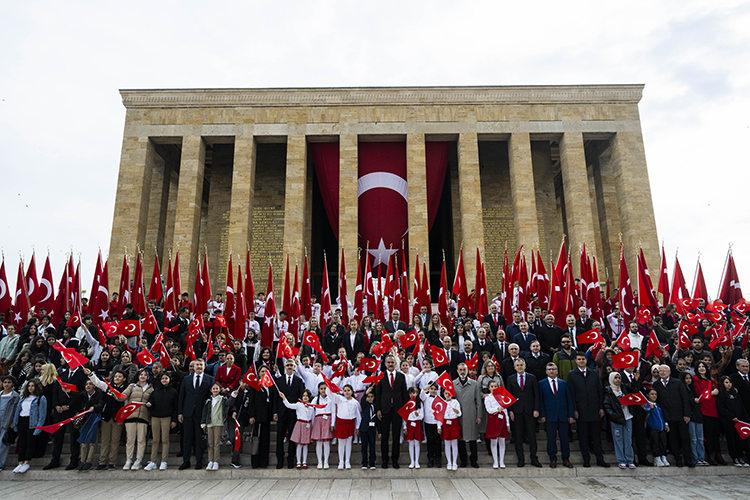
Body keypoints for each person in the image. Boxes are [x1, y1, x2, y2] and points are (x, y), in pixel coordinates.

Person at [567, 352, 610, 467]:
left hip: (595, 409)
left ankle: (599, 459)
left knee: (596, 437)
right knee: (583, 437)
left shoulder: (594, 373)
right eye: (579, 359)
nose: (581, 361)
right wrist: (574, 410)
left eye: (583, 359)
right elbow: (571, 394)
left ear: (586, 360)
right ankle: (586, 459)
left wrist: (601, 407)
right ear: (576, 361)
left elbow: (600, 391)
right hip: (581, 411)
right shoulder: (572, 374)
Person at [178, 358, 214, 470]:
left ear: (204, 366)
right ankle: (186, 461)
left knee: (199, 438)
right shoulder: (186, 379)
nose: (198, 367)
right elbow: (181, 396)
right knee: (187, 438)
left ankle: (199, 461)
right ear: (193, 367)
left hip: (201, 414)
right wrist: (180, 413)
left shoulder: (210, 379)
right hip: (187, 413)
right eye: (197, 365)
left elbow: (211, 398)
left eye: (201, 365)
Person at [653, 364, 693, 467]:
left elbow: (685, 399)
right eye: (660, 371)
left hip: (680, 416)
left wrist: (686, 414)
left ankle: (688, 459)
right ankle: (678, 459)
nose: (662, 373)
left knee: (685, 438)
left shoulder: (678, 383)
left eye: (664, 371)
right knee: (672, 439)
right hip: (667, 417)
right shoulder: (656, 385)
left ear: (669, 372)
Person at [115, 368, 154, 470]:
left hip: (143, 417)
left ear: (148, 377)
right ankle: (129, 460)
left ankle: (139, 460)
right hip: (131, 416)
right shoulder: (132, 386)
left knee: (141, 440)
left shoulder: (151, 389)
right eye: (141, 374)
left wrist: (151, 404)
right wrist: (115, 393)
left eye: (145, 375)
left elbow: (153, 401)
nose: (142, 376)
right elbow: (123, 396)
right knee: (130, 440)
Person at [374, 354, 409, 469]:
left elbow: (404, 394)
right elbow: (377, 394)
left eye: (392, 362)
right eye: (388, 362)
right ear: (385, 364)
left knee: (396, 436)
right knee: (384, 436)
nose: (390, 364)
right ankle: (385, 460)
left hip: (397, 410)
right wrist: (378, 409)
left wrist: (405, 410)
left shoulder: (401, 376)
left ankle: (395, 460)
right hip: (384, 410)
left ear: (395, 364)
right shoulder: (381, 376)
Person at [506, 357, 541, 468]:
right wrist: (510, 411)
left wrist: (536, 409)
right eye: (518, 365)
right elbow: (509, 397)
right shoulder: (510, 378)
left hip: (530, 411)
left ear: (525, 366)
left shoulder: (532, 378)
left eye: (522, 365)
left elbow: (536, 395)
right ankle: (520, 459)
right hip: (516, 411)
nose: (520, 367)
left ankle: (534, 458)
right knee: (518, 436)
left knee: (531, 436)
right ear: (514, 367)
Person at [538, 362, 574, 468]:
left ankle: (566, 459)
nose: (551, 371)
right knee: (551, 439)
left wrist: (570, 415)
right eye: (549, 369)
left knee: (564, 438)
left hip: (563, 415)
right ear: (546, 371)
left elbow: (569, 400)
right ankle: (553, 459)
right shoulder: (541, 383)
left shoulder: (564, 383)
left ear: (557, 371)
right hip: (549, 415)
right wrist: (542, 415)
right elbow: (541, 401)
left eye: (553, 369)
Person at [12, 378, 47, 474]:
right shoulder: (23, 397)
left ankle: (27, 462)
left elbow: (42, 414)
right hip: (22, 420)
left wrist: (39, 427)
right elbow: (17, 411)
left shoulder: (41, 398)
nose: (30, 388)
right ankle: (20, 462)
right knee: (22, 442)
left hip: (32, 422)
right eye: (29, 386)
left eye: (32, 386)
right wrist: (15, 423)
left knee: (30, 443)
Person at [145, 372, 178, 470]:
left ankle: (164, 461)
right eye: (162, 378)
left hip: (167, 417)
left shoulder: (173, 392)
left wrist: (174, 420)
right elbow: (151, 401)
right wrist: (150, 404)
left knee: (165, 440)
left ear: (170, 379)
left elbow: (175, 407)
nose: (164, 380)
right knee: (155, 440)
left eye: (166, 378)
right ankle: (153, 461)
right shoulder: (155, 391)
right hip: (155, 417)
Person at [716, 375, 750, 467]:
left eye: (730, 382)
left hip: (739, 421)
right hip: (729, 421)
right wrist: (731, 416)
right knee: (731, 439)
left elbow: (741, 406)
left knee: (740, 439)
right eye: (726, 382)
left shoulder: (735, 394)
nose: (729, 384)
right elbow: (721, 408)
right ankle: (734, 457)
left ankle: (740, 456)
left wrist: (745, 418)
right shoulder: (721, 395)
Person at [604, 372, 636, 469]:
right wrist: (614, 416)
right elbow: (607, 406)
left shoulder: (624, 389)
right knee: (618, 440)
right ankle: (621, 460)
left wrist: (636, 380)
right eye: (615, 378)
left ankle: (630, 460)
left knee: (628, 440)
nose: (618, 380)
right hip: (617, 419)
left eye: (619, 378)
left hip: (627, 417)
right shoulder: (608, 391)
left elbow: (634, 390)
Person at [453, 362, 482, 468]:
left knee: (472, 439)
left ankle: (474, 460)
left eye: (464, 370)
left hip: (471, 414)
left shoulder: (474, 384)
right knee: (460, 439)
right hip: (458, 416)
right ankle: (463, 460)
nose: (462, 372)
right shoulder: (453, 384)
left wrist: (479, 416)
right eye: (460, 370)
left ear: (468, 371)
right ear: (457, 371)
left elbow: (478, 401)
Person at [279, 388, 315, 469]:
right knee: (299, 444)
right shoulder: (299, 405)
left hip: (307, 425)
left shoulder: (311, 407)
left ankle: (304, 461)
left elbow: (312, 417)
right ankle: (299, 462)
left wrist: (312, 428)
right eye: (304, 396)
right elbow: (289, 405)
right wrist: (284, 398)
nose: (305, 397)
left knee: (305, 445)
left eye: (307, 396)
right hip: (300, 424)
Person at [329, 384, 362, 469]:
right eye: (345, 391)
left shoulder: (355, 402)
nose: (347, 392)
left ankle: (347, 461)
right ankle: (341, 462)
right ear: (343, 392)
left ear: (352, 391)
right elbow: (330, 395)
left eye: (348, 390)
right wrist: (329, 387)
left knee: (348, 443)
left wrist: (358, 426)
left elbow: (358, 416)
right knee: (341, 443)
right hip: (341, 423)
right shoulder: (340, 399)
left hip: (350, 423)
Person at [200, 382, 230, 470]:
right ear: (210, 390)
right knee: (210, 443)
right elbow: (204, 412)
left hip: (218, 423)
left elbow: (229, 403)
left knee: (216, 443)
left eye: (217, 388)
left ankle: (216, 461)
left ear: (220, 390)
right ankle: (210, 461)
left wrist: (232, 396)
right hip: (209, 423)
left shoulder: (223, 399)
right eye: (214, 388)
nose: (215, 390)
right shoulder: (208, 400)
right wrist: (203, 423)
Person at [484, 380, 510, 469]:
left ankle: (502, 461)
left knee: (502, 441)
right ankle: (495, 461)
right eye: (492, 386)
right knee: (494, 441)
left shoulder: (502, 397)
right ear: (489, 388)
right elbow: (489, 409)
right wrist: (498, 408)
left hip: (502, 419)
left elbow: (505, 410)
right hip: (493, 420)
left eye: (495, 386)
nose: (494, 388)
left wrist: (508, 423)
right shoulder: (487, 398)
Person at [437, 386, 462, 470]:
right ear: (443, 394)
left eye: (449, 393)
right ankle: (449, 462)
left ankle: (454, 462)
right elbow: (439, 416)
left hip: (454, 423)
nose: (448, 395)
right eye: (446, 393)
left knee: (454, 444)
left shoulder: (455, 402)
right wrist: (439, 426)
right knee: (447, 444)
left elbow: (459, 414)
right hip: (445, 424)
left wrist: (457, 411)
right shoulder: (442, 403)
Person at [0, 375, 20, 471]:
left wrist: (13, 421)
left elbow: (17, 410)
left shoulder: (15, 396)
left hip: (7, 421)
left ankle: (1, 464)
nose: (6, 384)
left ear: (12, 384)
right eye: (5, 382)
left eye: (9, 382)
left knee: (3, 443)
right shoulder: (0, 394)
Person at [359, 386, 380, 470]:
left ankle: (372, 462)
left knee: (372, 446)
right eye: (369, 397)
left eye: (371, 397)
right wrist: (366, 392)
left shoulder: (375, 407)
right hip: (364, 428)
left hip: (372, 429)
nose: (370, 398)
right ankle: (364, 463)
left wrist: (379, 431)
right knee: (364, 446)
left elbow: (378, 420)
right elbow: (362, 400)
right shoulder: (365, 405)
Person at [404, 386, 424, 469]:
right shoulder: (407, 404)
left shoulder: (420, 403)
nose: (413, 394)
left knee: (417, 443)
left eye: (414, 393)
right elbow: (404, 416)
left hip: (417, 423)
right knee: (411, 443)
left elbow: (422, 415)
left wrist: (418, 415)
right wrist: (404, 426)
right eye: (411, 393)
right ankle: (412, 461)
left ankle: (417, 461)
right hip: (409, 424)